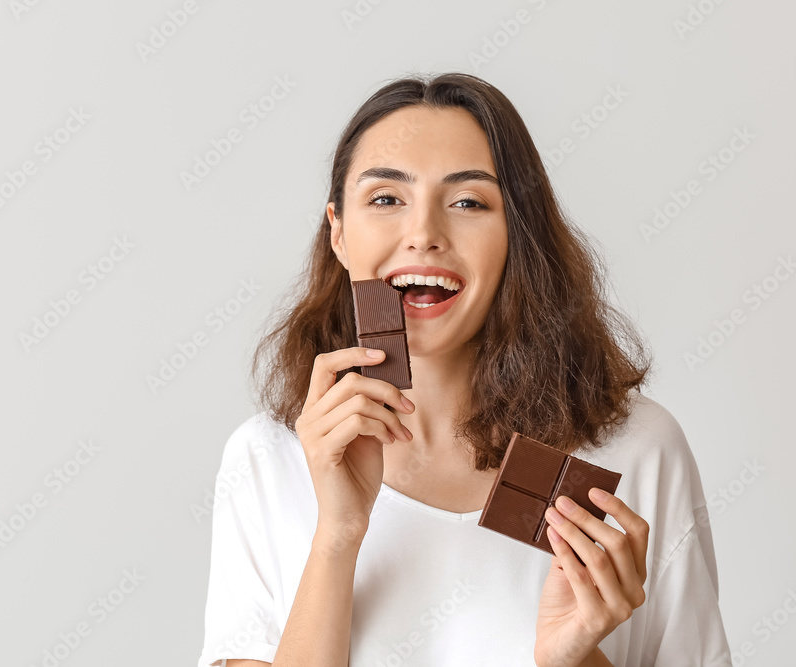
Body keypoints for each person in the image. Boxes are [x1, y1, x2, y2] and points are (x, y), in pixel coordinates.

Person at [196, 72, 731, 666]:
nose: (423, 234)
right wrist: (338, 538)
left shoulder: (636, 451)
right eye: (386, 199)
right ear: (339, 234)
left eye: (468, 202)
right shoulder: (266, 460)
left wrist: (575, 658)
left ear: (516, 235)